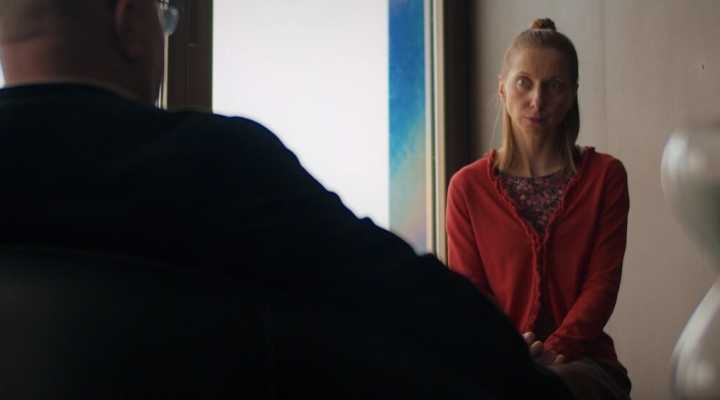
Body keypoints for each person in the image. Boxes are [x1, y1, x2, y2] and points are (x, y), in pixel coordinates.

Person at [0, 1, 575, 399]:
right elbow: (396, 291)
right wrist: (525, 374)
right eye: (163, 16)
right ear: (128, 22)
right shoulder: (215, 162)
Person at [446, 18, 632, 400]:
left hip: (585, 364)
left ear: (573, 94)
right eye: (524, 83)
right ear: (502, 87)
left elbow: (601, 287)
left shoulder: (605, 177)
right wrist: (514, 357)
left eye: (554, 86)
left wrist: (550, 354)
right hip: (497, 364)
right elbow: (471, 298)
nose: (537, 100)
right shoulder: (466, 188)